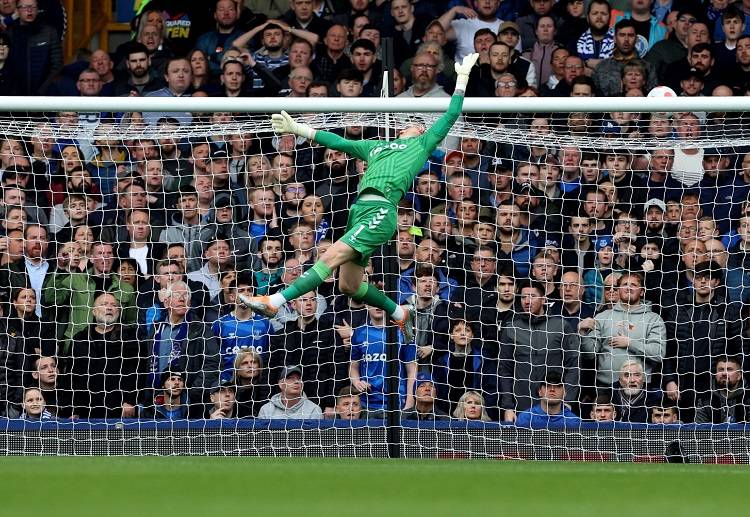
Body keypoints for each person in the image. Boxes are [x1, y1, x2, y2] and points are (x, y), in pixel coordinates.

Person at [243, 52, 481, 344]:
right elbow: (339, 142)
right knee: (348, 285)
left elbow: (450, 116)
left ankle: (274, 301)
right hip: (360, 212)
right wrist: (298, 129)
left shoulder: (421, 145)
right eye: (413, 122)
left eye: (419, 124)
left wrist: (462, 79)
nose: (416, 125)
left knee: (328, 256)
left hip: (381, 210)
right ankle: (400, 313)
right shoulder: (377, 147)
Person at [695, 356, 750, 424]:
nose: (724, 373)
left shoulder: (748, 398)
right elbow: (700, 430)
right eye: (721, 369)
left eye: (729, 369)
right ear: (715, 374)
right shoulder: (706, 399)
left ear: (739, 375)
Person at [515, 371, 582, 427]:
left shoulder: (574, 421)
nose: (552, 389)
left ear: (565, 393)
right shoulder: (526, 418)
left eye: (558, 386)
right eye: (547, 385)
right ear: (540, 391)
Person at [257, 365, 324, 419]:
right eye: (290, 378)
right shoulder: (266, 410)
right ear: (280, 384)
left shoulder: (314, 410)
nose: (296, 381)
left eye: (299, 378)